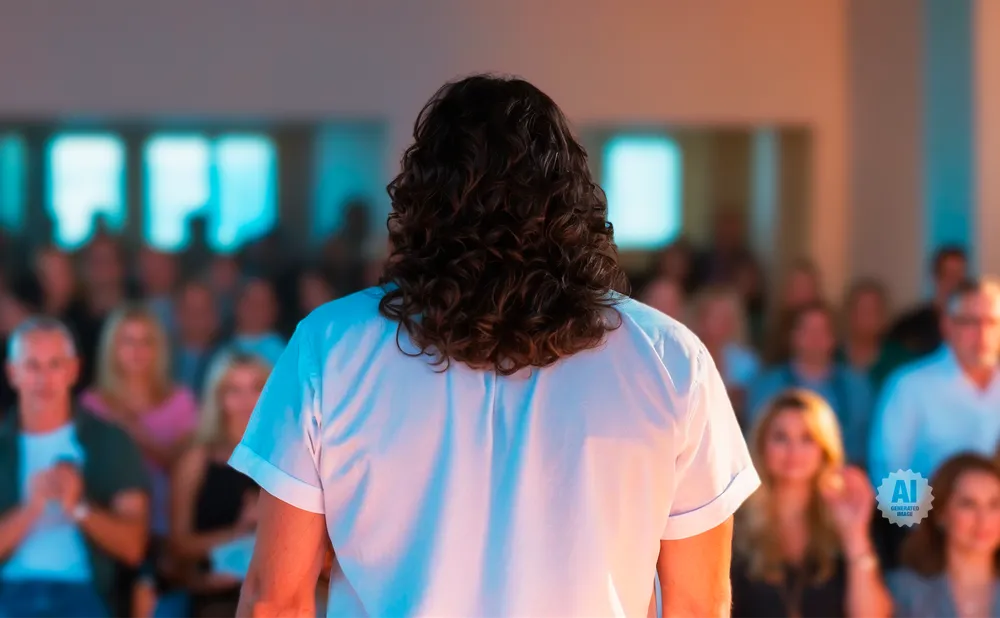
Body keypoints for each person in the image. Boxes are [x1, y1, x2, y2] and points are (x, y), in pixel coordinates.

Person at [228, 74, 760, 617]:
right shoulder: (670, 358)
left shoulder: (332, 345)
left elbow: (276, 600)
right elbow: (697, 604)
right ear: (570, 201)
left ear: (422, 198)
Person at [0, 317, 150, 617]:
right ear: (12, 373)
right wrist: (30, 510)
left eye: (55, 364)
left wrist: (79, 507)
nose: (44, 379)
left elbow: (134, 547)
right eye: (32, 366)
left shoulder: (110, 441)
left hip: (86, 596)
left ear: (73, 370)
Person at [732, 390, 892, 618]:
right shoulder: (735, 522)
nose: (794, 451)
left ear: (824, 450)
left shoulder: (846, 516)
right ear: (761, 446)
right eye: (780, 437)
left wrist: (855, 536)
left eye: (807, 438)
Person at [80, 306, 199, 539]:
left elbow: (186, 469)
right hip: (108, 527)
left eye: (146, 341)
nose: (137, 350)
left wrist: (133, 431)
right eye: (127, 341)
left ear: (159, 348)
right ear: (111, 348)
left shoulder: (182, 401)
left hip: (167, 527)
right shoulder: (91, 404)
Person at [868, 278, 1000, 485]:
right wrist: (920, 517)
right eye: (970, 322)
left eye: (992, 322)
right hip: (928, 515)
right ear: (947, 325)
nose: (983, 334)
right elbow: (887, 472)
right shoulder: (909, 386)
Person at [170, 353, 269, 618]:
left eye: (256, 388)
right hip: (214, 596)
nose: (246, 401)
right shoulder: (196, 459)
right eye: (234, 390)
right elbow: (179, 545)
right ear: (218, 397)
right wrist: (239, 531)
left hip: (276, 595)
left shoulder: (290, 456)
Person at [747, 302, 873, 466]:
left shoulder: (857, 388)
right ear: (792, 336)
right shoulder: (766, 386)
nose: (815, 338)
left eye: (822, 331)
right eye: (807, 330)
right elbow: (756, 445)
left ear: (834, 338)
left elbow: (862, 449)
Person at [888, 454, 1000, 617]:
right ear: (941, 514)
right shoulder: (905, 590)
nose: (983, 519)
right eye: (968, 504)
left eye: (994, 504)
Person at [887, 245, 968, 358]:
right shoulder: (909, 326)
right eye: (947, 275)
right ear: (935, 277)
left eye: (958, 276)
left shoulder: (975, 326)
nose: (953, 282)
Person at [838, 278, 911, 393]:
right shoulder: (831, 357)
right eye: (861, 310)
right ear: (848, 313)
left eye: (873, 310)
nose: (867, 317)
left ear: (884, 316)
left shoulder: (900, 361)